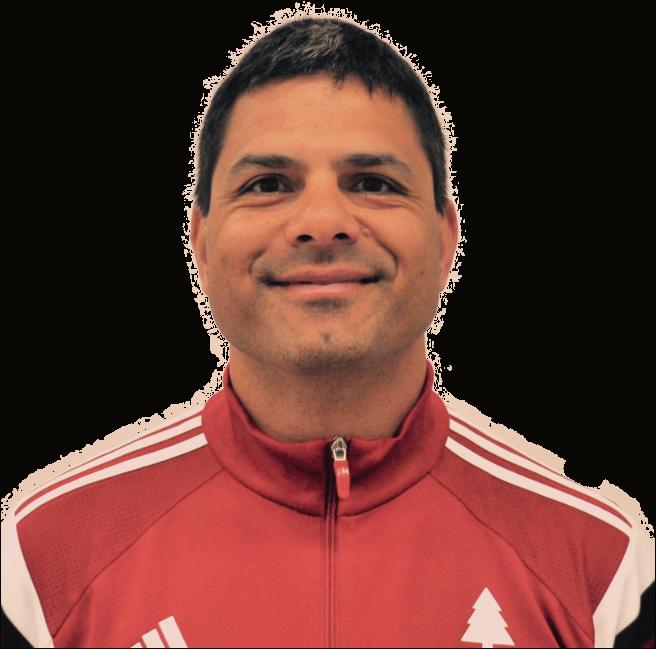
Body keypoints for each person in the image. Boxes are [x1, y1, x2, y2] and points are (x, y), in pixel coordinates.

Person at [2, 12, 653, 649]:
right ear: (198, 237)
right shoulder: (44, 555)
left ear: (446, 234)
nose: (321, 222)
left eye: (373, 182)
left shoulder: (600, 560)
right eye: (268, 184)